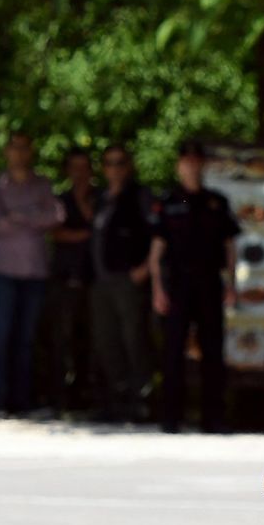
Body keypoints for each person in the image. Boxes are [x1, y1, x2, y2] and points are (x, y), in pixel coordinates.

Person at [151, 139, 241, 433]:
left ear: (203, 164)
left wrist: (231, 283)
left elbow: (229, 247)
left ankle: (213, 417)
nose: (191, 166)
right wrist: (158, 288)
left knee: (212, 349)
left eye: (196, 160)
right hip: (178, 284)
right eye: (186, 161)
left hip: (209, 283)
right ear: (179, 165)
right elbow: (156, 253)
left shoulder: (216, 202)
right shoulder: (169, 202)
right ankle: (170, 417)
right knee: (173, 350)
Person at [0, 132, 61, 417]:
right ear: (7, 151)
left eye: (24, 147)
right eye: (15, 147)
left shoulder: (42, 184)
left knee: (26, 339)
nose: (19, 153)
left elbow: (55, 216)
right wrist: (32, 218)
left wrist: (18, 217)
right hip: (4, 271)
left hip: (34, 271)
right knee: (1, 336)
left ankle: (22, 402)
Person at [91, 146, 156, 420]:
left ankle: (141, 399)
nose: (114, 169)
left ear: (128, 166)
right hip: (102, 281)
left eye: (119, 163)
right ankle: (115, 399)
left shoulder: (140, 196)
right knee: (107, 339)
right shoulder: (101, 198)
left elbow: (158, 233)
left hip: (129, 280)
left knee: (134, 338)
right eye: (109, 163)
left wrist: (145, 268)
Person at [45, 149, 98, 416]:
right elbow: (56, 233)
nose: (79, 173)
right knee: (61, 339)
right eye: (74, 167)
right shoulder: (59, 200)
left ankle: (85, 395)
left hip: (93, 279)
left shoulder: (99, 198)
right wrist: (85, 234)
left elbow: (97, 227)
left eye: (84, 167)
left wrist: (85, 205)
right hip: (64, 278)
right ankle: (58, 397)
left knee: (88, 340)